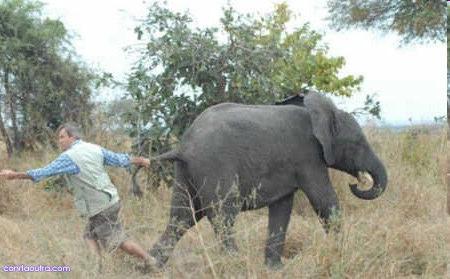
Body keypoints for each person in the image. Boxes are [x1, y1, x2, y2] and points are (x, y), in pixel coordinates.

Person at [0, 123, 156, 271]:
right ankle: (95, 270)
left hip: (100, 207)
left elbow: (43, 172)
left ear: (72, 137)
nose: (59, 141)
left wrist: (14, 175)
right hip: (110, 200)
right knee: (89, 235)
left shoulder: (69, 157)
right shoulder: (94, 148)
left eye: (62, 137)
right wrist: (140, 160)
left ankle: (150, 261)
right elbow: (119, 159)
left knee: (118, 241)